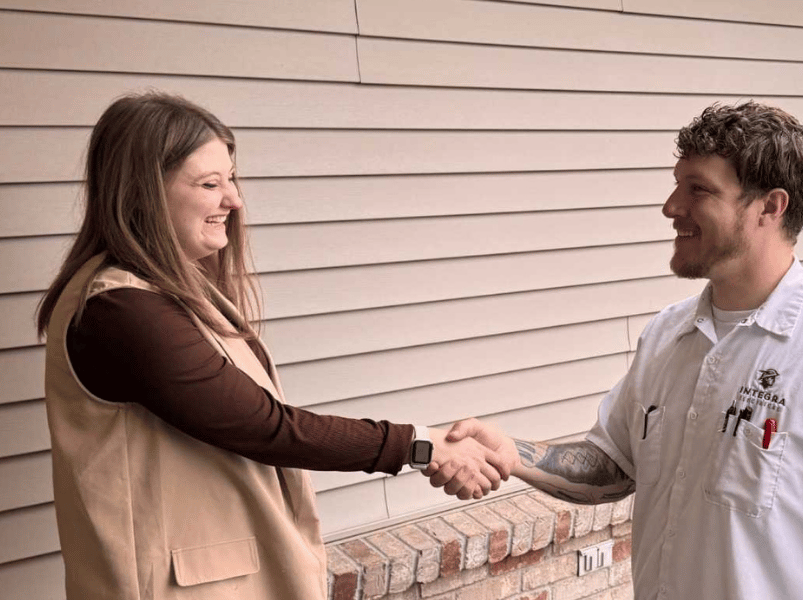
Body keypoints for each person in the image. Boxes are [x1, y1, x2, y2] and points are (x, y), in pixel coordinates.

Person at [436, 102, 803, 599]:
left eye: (698, 189)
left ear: (770, 206)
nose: (671, 206)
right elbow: (614, 464)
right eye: (677, 184)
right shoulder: (667, 336)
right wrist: (513, 454)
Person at [35, 92, 506, 600]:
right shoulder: (120, 310)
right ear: (141, 192)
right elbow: (265, 427)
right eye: (210, 184)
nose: (234, 200)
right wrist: (419, 445)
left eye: (231, 178)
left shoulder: (169, 292)